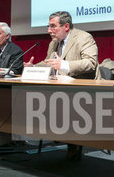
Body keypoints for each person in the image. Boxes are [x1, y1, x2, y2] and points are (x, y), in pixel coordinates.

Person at [25, 11, 101, 160]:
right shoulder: (53, 43)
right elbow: (49, 63)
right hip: (61, 87)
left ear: (66, 26)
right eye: (48, 26)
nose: (48, 30)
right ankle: (61, 134)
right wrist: (33, 67)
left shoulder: (84, 38)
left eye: (53, 26)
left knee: (62, 103)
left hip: (84, 87)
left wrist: (65, 64)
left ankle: (71, 141)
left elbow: (90, 63)